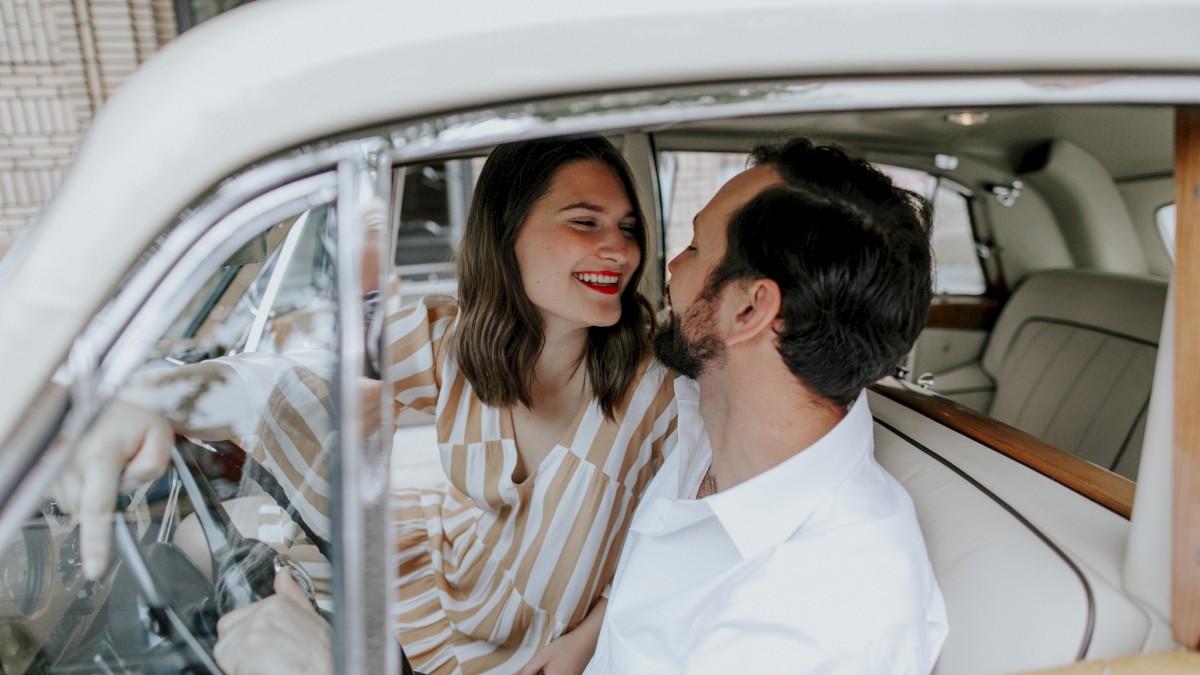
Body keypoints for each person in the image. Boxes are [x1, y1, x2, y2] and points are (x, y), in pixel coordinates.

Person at [58, 136, 679, 675]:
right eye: (585, 222)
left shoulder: (662, 385)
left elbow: (677, 541)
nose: (620, 252)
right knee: (202, 543)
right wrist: (149, 397)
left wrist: (589, 638)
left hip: (546, 648)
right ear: (507, 231)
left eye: (627, 228)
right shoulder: (455, 340)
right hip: (444, 592)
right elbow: (294, 376)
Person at [584, 139, 949, 673]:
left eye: (694, 247)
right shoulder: (717, 421)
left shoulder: (811, 620)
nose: (670, 268)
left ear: (751, 308)